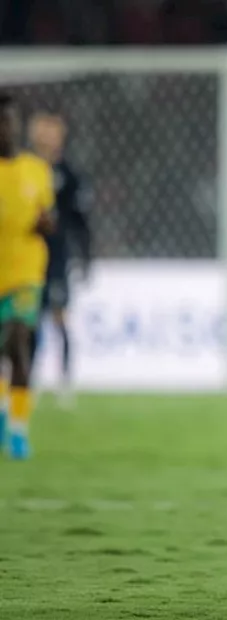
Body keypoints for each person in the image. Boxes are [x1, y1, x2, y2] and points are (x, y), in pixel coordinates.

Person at [0, 93, 56, 460]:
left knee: (19, 341)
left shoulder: (37, 170)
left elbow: (49, 221)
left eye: (10, 121)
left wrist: (45, 223)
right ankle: (7, 410)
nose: (7, 128)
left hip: (26, 273)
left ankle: (18, 431)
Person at [28, 108, 91, 407]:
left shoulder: (69, 173)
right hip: (27, 258)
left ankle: (65, 382)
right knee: (29, 322)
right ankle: (29, 380)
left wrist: (86, 257)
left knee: (59, 318)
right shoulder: (23, 171)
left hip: (58, 259)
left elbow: (81, 220)